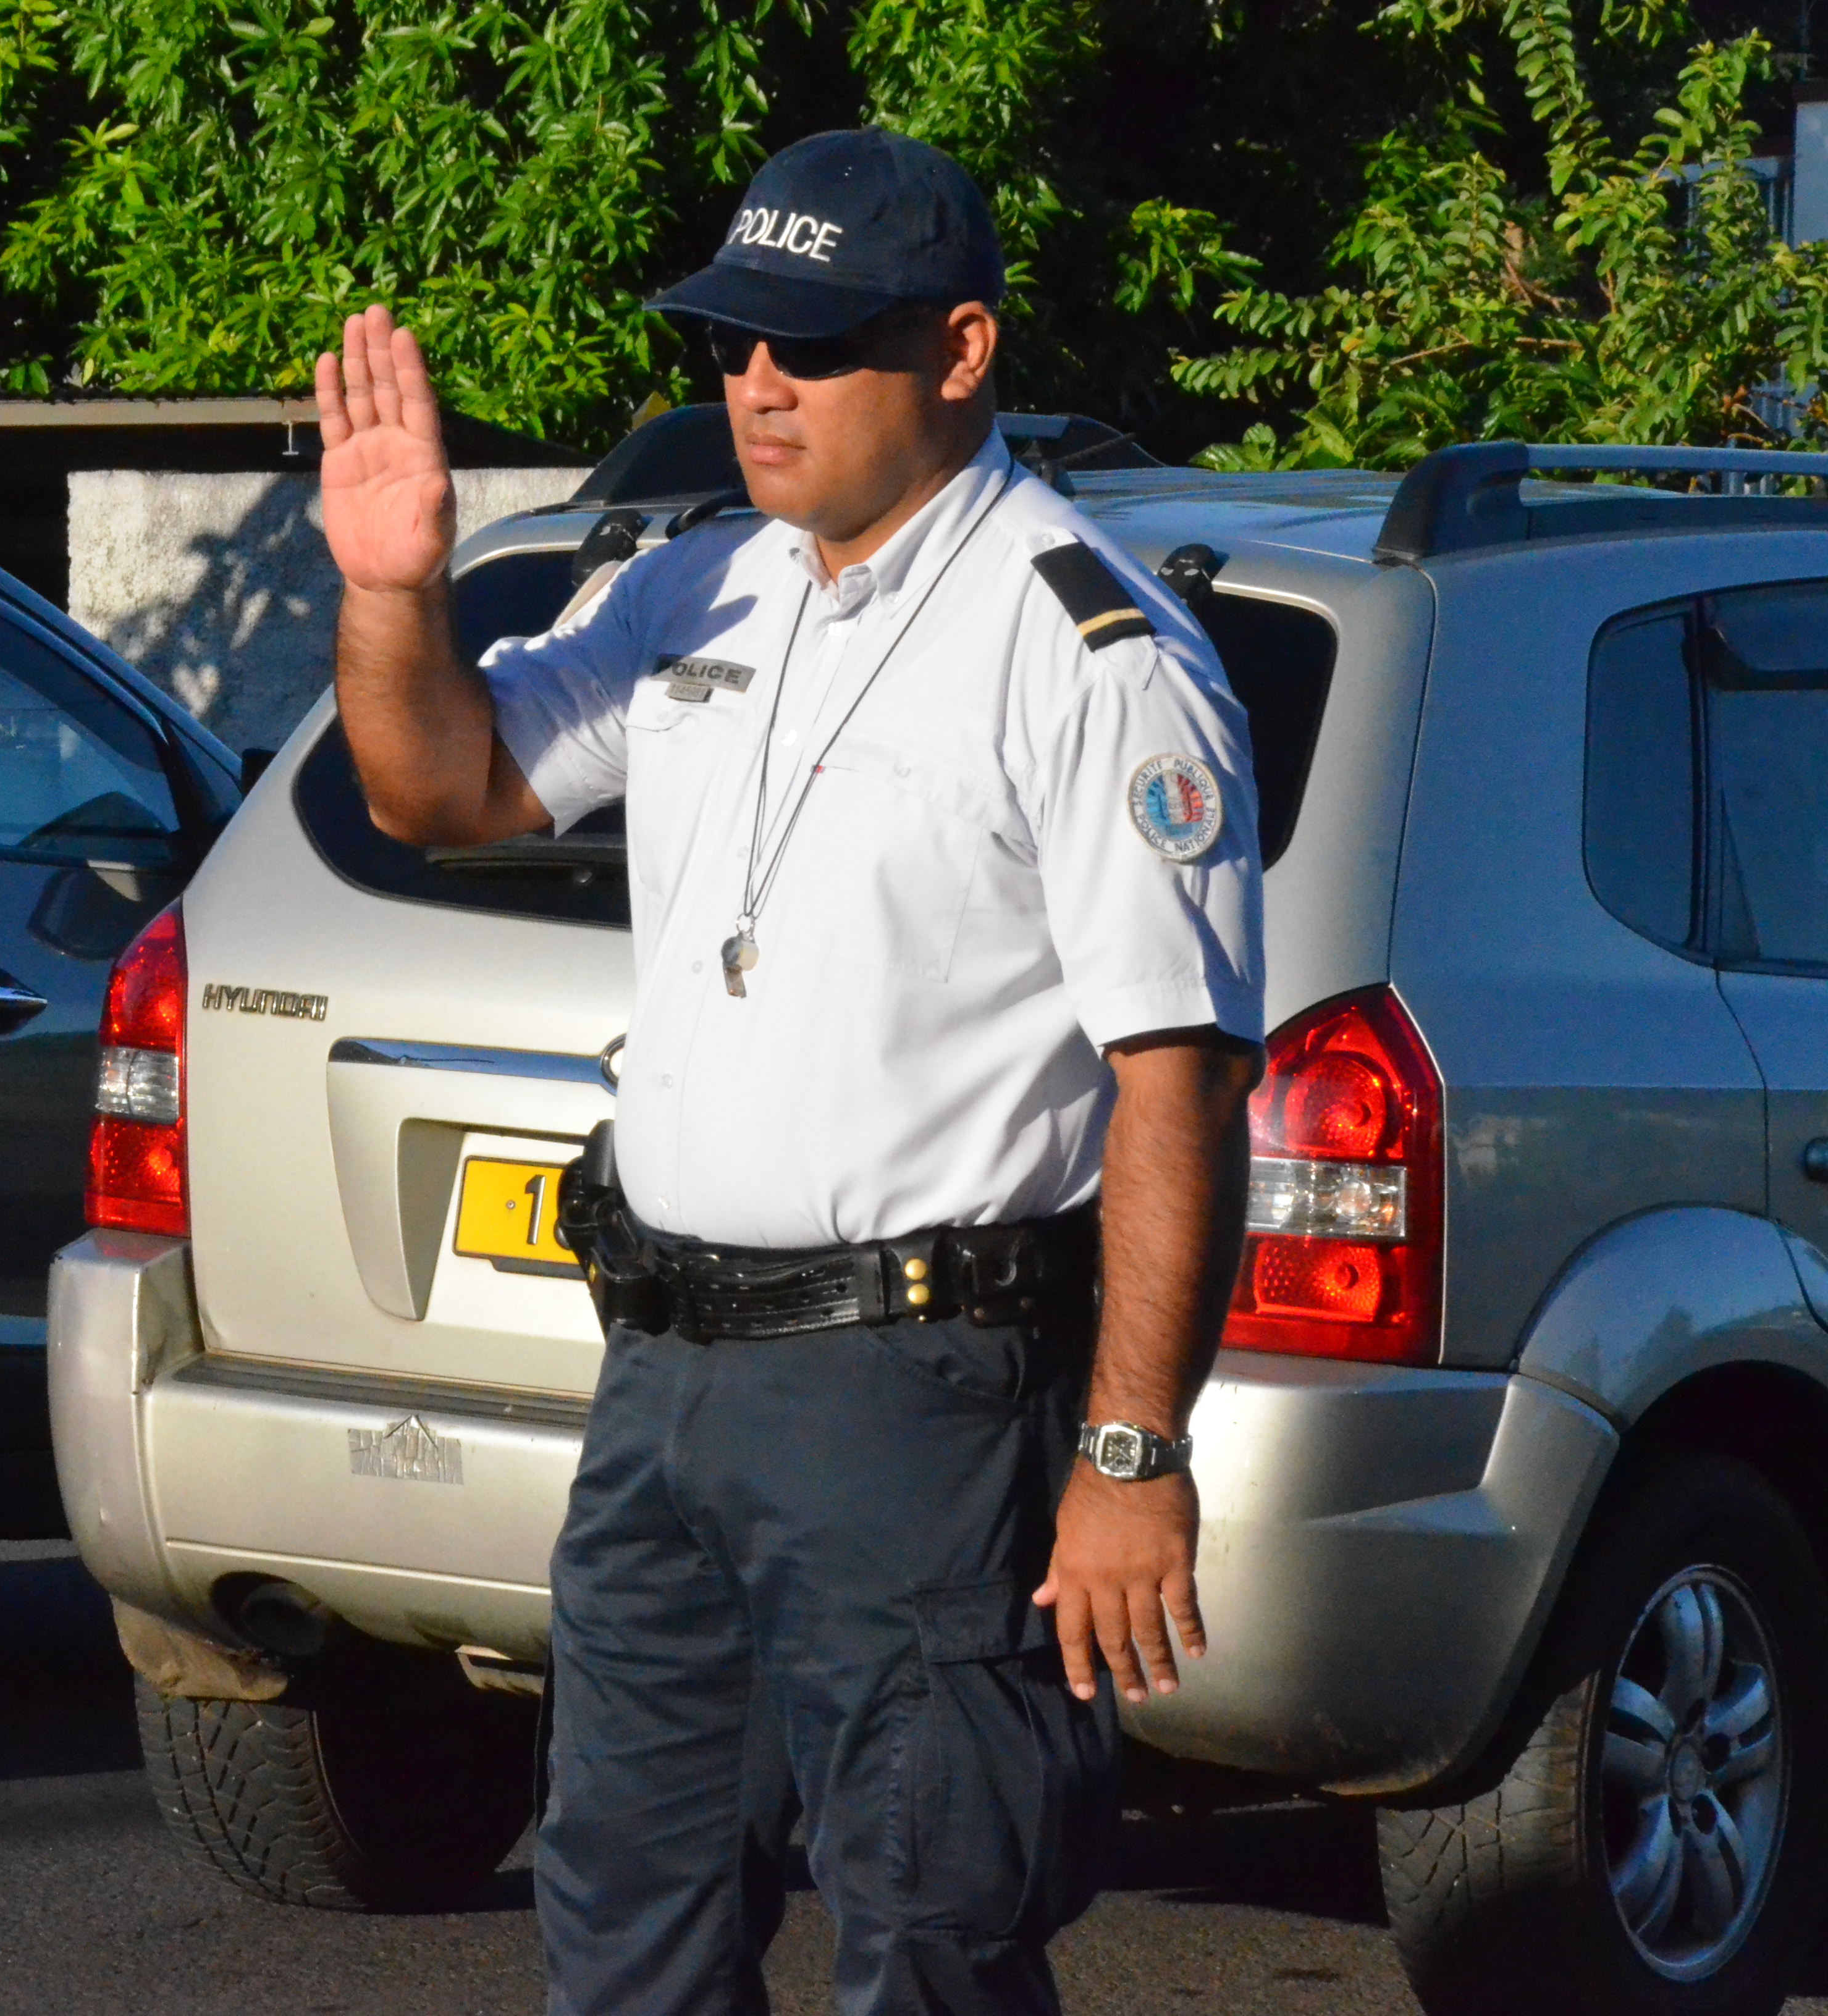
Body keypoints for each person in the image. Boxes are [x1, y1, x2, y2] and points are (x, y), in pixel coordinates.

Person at [309, 128, 1265, 2016]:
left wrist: (1131, 1455)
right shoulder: (703, 590)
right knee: (621, 1918)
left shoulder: (1086, 649)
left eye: (814, 347)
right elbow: (443, 787)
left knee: (932, 1920)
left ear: (962, 351)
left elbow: (1178, 1081)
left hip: (917, 1396)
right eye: (735, 339)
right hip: (669, 1374)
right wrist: (392, 590)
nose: (758, 382)